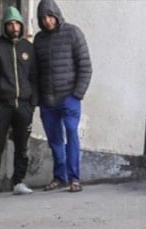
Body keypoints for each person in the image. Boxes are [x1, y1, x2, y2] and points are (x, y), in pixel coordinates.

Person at [33, 1, 92, 193]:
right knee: (55, 140)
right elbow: (35, 71)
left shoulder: (73, 33)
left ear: (57, 15)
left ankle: (74, 178)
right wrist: (38, 98)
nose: (47, 21)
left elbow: (85, 66)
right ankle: (59, 177)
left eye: (50, 16)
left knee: (71, 133)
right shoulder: (39, 40)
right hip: (47, 100)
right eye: (43, 18)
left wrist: (77, 94)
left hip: (69, 96)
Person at [0, 5, 38, 198]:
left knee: (22, 147)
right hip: (2, 106)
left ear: (21, 25)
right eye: (10, 24)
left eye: (17, 23)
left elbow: (34, 77)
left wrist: (32, 104)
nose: (14, 27)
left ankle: (18, 181)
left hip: (24, 106)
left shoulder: (28, 48)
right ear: (5, 26)